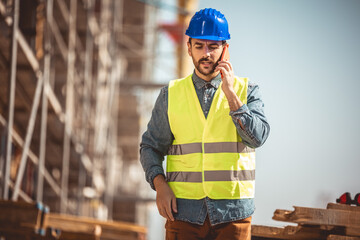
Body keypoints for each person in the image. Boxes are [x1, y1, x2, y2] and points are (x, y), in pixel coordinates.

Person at [140, 8, 270, 240]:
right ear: (188, 48)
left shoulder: (247, 91)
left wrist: (232, 96)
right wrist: (160, 186)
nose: (206, 54)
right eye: (199, 46)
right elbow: (150, 147)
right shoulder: (171, 95)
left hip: (233, 215)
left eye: (213, 47)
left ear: (225, 49)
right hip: (183, 214)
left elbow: (257, 138)